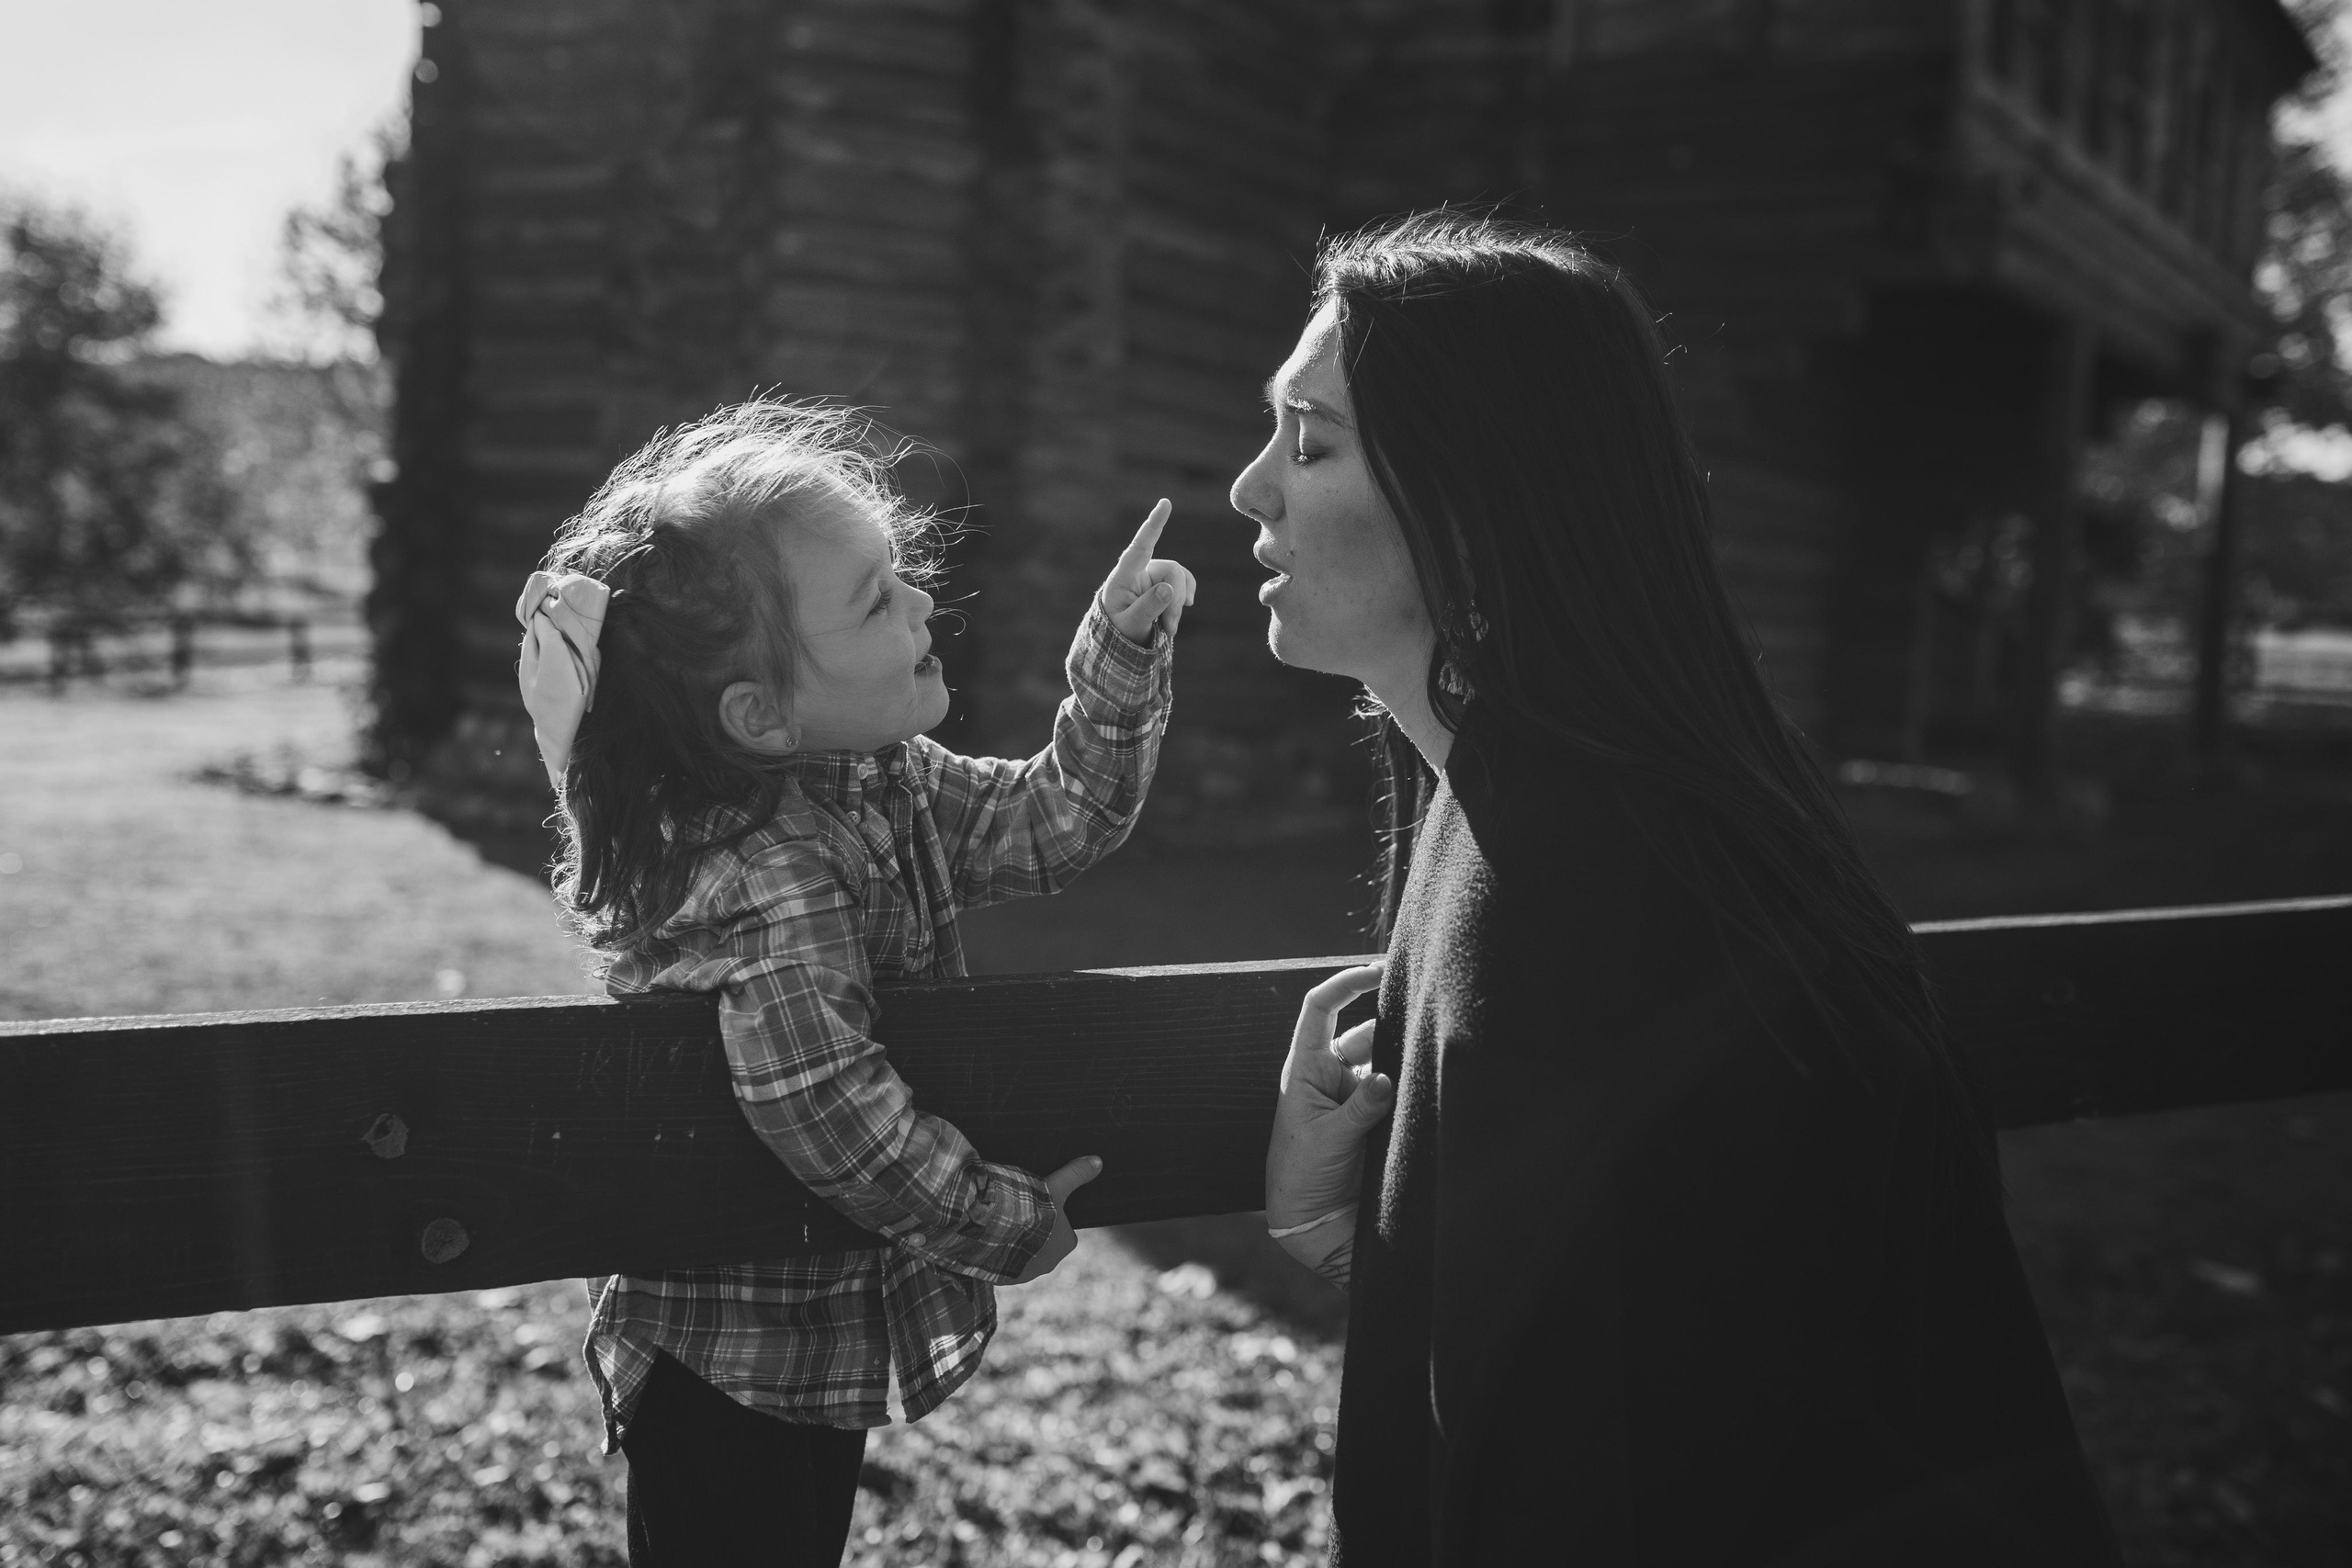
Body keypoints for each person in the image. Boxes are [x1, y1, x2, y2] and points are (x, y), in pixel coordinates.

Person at [1244, 215, 2124, 1566]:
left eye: (1310, 443)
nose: (1253, 489)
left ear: (1478, 498)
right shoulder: (1525, 804)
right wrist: (1329, 1220)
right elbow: (1624, 1349)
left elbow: (1617, 1485)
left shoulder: (1588, 898)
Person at [514, 400, 1194, 1565]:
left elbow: (1053, 820)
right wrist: (1000, 1221)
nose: (925, 604)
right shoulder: (764, 861)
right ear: (761, 714)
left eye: (902, 576)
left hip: (804, 1326)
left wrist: (1119, 655)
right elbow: (819, 1099)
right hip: (727, 1353)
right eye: (879, 599)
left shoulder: (884, 782)